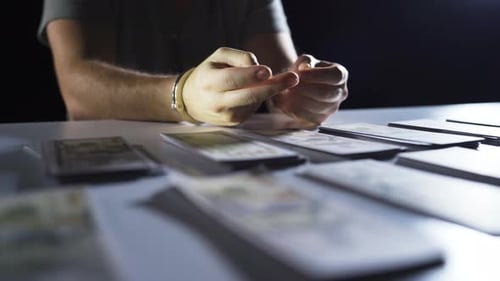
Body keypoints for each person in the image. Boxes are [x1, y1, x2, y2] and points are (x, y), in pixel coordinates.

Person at [38, 0, 348, 127]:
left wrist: (304, 91)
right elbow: (78, 88)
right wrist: (182, 95)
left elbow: (282, 82)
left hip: (229, 168)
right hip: (108, 165)